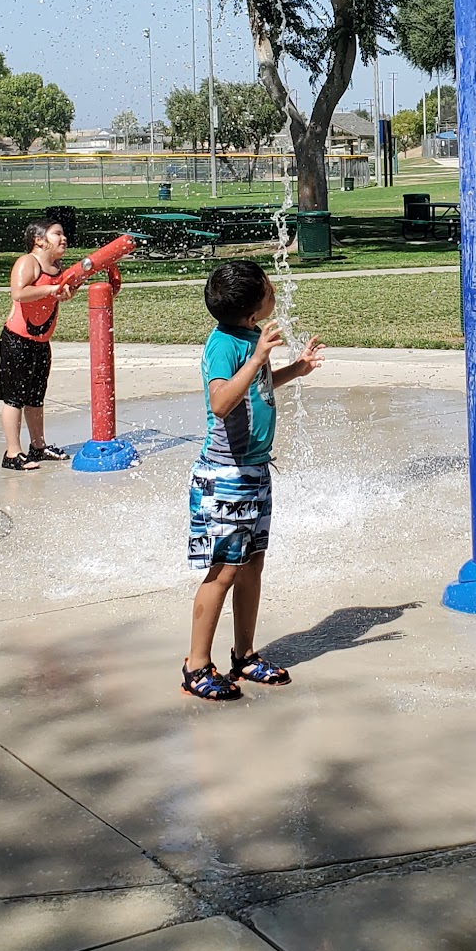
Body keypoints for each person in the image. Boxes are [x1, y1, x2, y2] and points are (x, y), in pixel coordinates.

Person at [182, 259, 325, 702]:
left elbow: (258, 387)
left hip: (254, 471)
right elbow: (222, 401)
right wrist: (260, 356)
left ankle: (243, 655)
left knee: (252, 564)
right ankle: (196, 665)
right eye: (267, 287)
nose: (273, 290)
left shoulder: (246, 336)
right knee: (223, 571)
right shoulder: (225, 344)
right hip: (225, 476)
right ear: (251, 309)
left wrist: (292, 370)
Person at [0, 219, 81, 470]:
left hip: (41, 342)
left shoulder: (56, 267)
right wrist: (51, 289)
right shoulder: (28, 263)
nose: (63, 238)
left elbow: (57, 296)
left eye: (64, 234)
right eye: (57, 233)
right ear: (39, 240)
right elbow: (19, 293)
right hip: (17, 340)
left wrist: (68, 290)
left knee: (36, 397)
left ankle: (38, 446)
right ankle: (12, 453)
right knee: (14, 398)